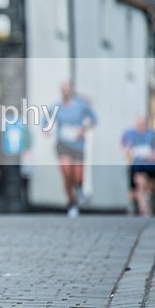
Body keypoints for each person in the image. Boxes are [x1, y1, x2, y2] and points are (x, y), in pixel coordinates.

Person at [44, 82, 97, 217]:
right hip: (63, 143)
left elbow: (93, 119)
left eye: (67, 89)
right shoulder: (57, 106)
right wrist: (47, 130)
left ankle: (79, 188)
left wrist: (83, 128)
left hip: (78, 144)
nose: (65, 92)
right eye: (63, 89)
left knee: (78, 176)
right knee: (66, 172)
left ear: (72, 90)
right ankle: (71, 202)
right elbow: (46, 120)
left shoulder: (81, 105)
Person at [120, 116, 155, 217]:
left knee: (148, 187)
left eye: (141, 124)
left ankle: (145, 206)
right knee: (139, 186)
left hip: (150, 165)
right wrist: (127, 151)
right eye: (137, 124)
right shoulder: (129, 133)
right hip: (136, 165)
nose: (139, 126)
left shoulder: (152, 133)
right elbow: (121, 145)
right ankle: (143, 209)